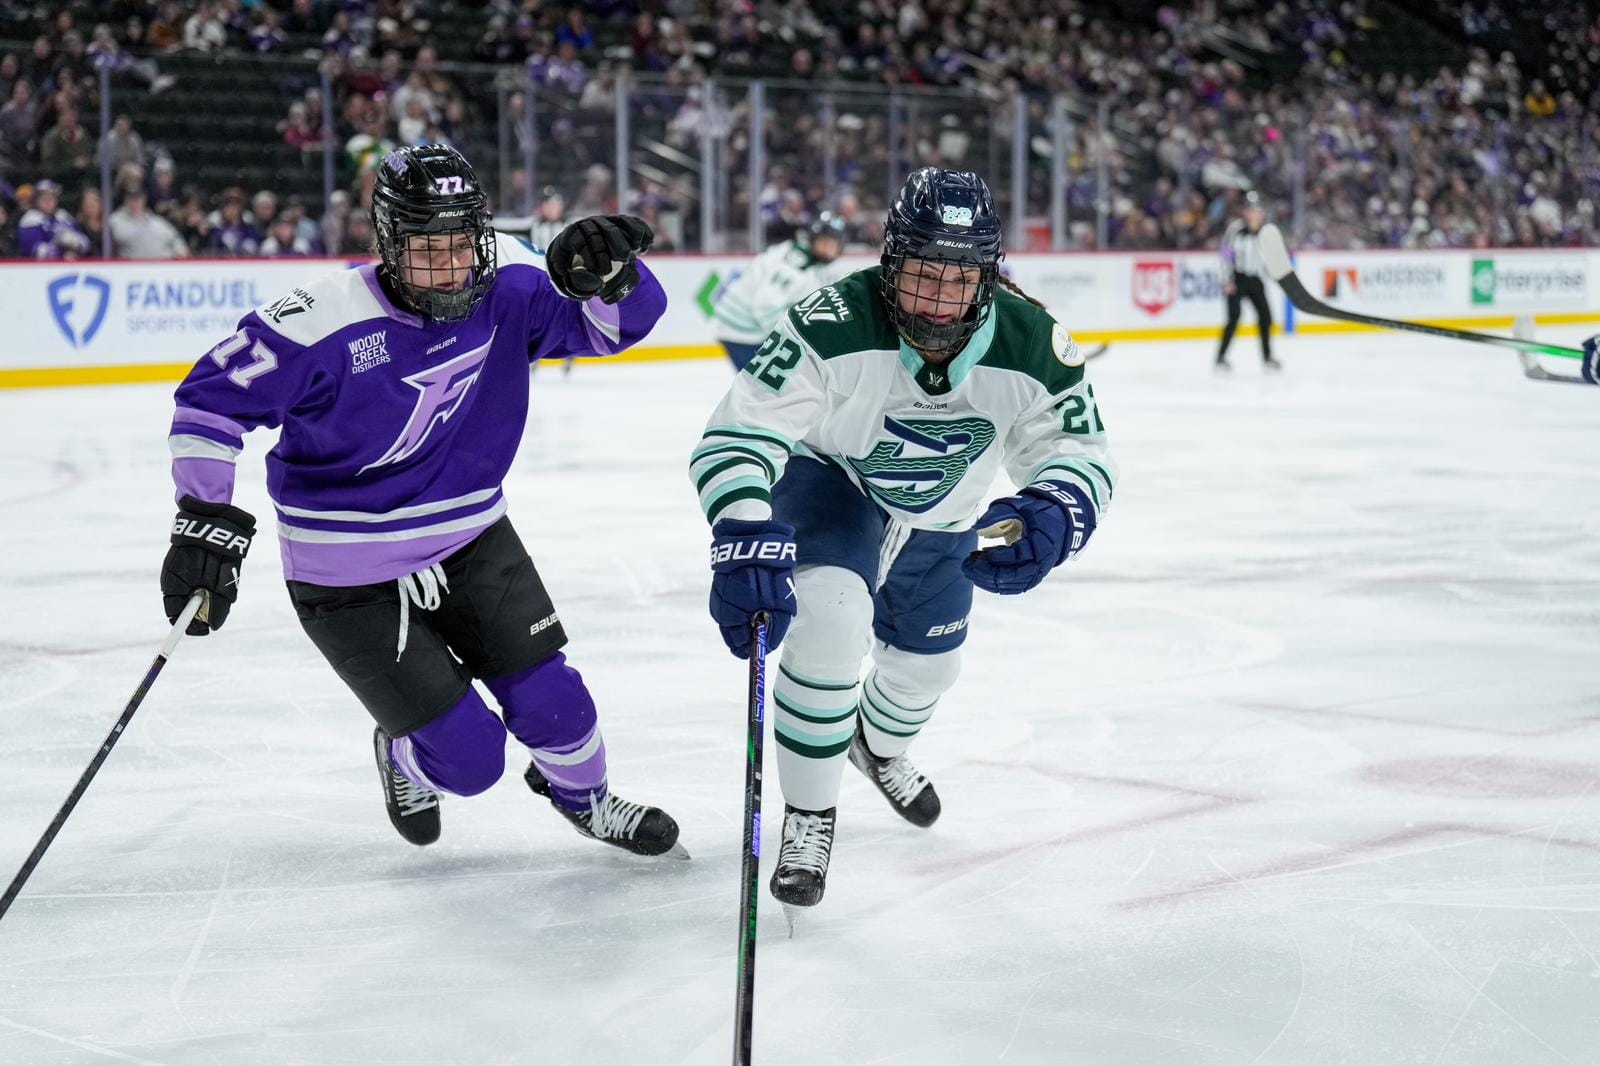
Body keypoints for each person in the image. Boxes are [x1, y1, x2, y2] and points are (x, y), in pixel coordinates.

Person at [160, 144, 684, 858]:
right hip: (347, 577)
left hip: (472, 539)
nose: (449, 266)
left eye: (462, 245)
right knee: (472, 762)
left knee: (556, 705)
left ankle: (584, 800)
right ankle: (403, 756)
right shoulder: (319, 319)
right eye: (426, 249)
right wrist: (202, 521)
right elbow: (208, 409)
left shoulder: (511, 289)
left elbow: (616, 327)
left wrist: (618, 277)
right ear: (386, 242)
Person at [687, 168, 1116, 912]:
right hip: (834, 483)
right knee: (829, 618)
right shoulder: (831, 319)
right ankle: (810, 813)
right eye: (922, 276)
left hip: (941, 517)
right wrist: (744, 529)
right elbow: (739, 431)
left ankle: (875, 746)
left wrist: (1057, 508)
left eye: (960, 280)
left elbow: (1080, 453)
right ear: (890, 261)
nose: (938, 301)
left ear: (989, 275)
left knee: (930, 671)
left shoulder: (1036, 341)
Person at [712, 212, 850, 370]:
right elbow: (765, 305)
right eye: (824, 242)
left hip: (739, 326)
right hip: (741, 330)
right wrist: (790, 341)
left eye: (833, 244)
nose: (828, 249)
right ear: (813, 239)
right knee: (764, 390)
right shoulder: (797, 266)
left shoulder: (800, 254)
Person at [1215, 191, 1279, 371]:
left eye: (1258, 211)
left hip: (1256, 280)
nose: (1255, 214)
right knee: (1233, 318)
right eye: (1251, 210)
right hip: (1237, 279)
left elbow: (1270, 258)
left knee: (1265, 317)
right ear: (1245, 212)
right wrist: (1226, 280)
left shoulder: (1267, 231)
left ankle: (1267, 358)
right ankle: (1220, 357)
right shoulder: (1235, 230)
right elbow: (1225, 255)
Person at [18, 179, 91, 259]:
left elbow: (86, 243)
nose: (48, 202)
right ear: (36, 201)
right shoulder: (30, 219)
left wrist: (76, 243)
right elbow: (33, 250)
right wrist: (61, 253)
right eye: (44, 198)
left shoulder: (64, 216)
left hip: (70, 264)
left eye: (52, 198)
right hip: (39, 268)